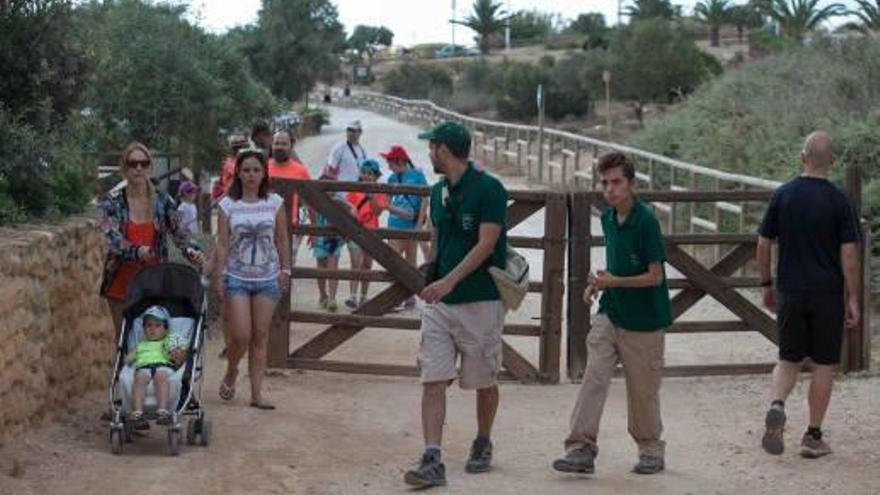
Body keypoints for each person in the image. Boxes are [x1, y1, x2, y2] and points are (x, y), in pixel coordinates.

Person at [552, 152, 672, 477]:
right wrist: (598, 284)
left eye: (616, 182)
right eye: (604, 183)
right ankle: (580, 448)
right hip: (611, 314)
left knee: (642, 390)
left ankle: (650, 449)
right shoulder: (607, 218)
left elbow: (655, 276)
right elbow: (617, 268)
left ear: (630, 184)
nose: (610, 189)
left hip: (645, 321)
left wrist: (614, 281)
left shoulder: (646, 220)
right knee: (593, 379)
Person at [403, 122, 508, 488]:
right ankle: (432, 456)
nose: (429, 154)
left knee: (483, 379)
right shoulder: (437, 192)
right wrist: (431, 272)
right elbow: (436, 235)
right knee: (432, 377)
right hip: (440, 303)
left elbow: (486, 244)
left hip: (480, 300)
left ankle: (483, 439)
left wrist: (449, 281)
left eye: (431, 148)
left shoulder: (490, 190)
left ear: (444, 150)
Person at [757, 131, 861, 459]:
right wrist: (853, 297)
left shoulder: (783, 195)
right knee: (824, 365)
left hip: (790, 289)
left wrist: (766, 284)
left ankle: (777, 404)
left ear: (802, 157)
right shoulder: (839, 200)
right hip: (826, 294)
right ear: (831, 161)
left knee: (788, 359)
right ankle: (813, 436)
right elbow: (849, 253)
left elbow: (762, 243)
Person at [99, 142, 204, 338]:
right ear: (124, 168)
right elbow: (112, 237)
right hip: (121, 281)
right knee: (124, 341)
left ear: (150, 167)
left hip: (154, 280)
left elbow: (180, 233)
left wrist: (193, 252)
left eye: (144, 163)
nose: (138, 168)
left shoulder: (163, 200)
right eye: (132, 164)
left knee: (153, 339)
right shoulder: (110, 202)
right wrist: (136, 251)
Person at [216, 147, 291, 410]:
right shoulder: (227, 205)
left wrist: (286, 270)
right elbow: (223, 244)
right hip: (236, 276)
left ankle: (257, 394)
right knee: (241, 334)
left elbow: (282, 239)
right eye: (246, 170)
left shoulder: (274, 202)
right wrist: (219, 276)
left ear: (263, 173)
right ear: (238, 172)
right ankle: (232, 369)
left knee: (261, 335)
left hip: (267, 278)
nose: (251, 175)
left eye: (256, 170)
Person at [381, 145, 429, 310]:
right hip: (395, 224)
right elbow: (385, 203)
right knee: (394, 262)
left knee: (410, 262)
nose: (388, 166)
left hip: (411, 225)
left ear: (401, 161)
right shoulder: (392, 179)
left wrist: (418, 223)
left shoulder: (418, 176)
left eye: (391, 162)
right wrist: (398, 211)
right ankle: (395, 297)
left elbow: (424, 199)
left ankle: (408, 296)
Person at [344, 159, 389, 309]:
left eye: (370, 173)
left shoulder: (380, 191)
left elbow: (377, 211)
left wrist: (372, 197)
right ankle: (352, 295)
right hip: (355, 231)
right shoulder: (353, 189)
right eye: (364, 172)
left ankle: (363, 296)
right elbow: (347, 208)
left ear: (376, 176)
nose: (367, 176)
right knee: (356, 263)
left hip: (372, 231)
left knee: (367, 264)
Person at [125, 305, 177, 429]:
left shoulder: (168, 341)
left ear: (166, 329)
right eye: (148, 325)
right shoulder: (141, 344)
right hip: (144, 367)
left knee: (161, 377)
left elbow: (177, 357)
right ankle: (137, 412)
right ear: (143, 329)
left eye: (157, 325)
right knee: (139, 379)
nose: (152, 329)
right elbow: (128, 359)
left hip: (163, 366)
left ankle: (162, 410)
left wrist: (175, 355)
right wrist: (128, 359)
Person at [268, 129, 313, 266]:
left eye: (283, 143)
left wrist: (313, 230)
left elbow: (310, 200)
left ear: (291, 146)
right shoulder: (262, 167)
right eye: (276, 143)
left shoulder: (300, 171)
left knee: (287, 267)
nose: (279, 147)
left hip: (291, 227)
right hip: (265, 226)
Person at [312, 174, 351, 313]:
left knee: (332, 266)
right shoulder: (315, 200)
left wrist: (346, 231)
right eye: (324, 187)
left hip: (334, 237)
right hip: (320, 236)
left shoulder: (338, 200)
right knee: (321, 267)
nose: (328, 190)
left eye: (330, 187)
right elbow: (313, 218)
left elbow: (351, 210)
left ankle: (332, 298)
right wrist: (313, 234)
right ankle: (323, 295)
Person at [216, 134, 249, 202]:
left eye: (243, 147)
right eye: (238, 148)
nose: (241, 150)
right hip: (232, 197)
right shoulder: (230, 162)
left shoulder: (245, 161)